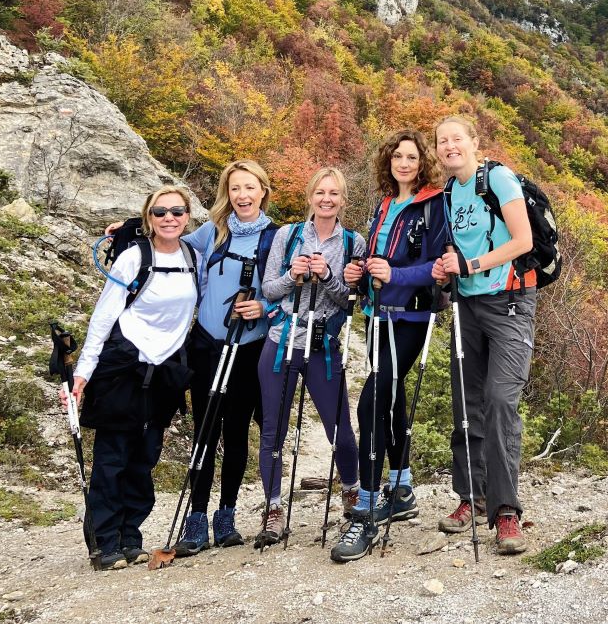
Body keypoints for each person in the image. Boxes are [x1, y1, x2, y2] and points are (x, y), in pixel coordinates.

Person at [330, 131, 450, 563]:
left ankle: (364, 509)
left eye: (412, 157)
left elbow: (438, 268)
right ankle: (399, 488)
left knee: (372, 403)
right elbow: (378, 261)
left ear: (423, 163)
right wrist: (359, 274)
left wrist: (393, 275)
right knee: (391, 398)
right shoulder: (383, 205)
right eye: (397, 156)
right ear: (389, 161)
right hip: (377, 316)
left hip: (412, 316)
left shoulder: (434, 203)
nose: (404, 163)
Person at [69, 187, 199, 571]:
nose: (169, 218)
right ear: (149, 218)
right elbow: (103, 316)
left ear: (188, 216)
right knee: (113, 458)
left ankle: (131, 537)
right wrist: (83, 373)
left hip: (164, 373)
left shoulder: (194, 256)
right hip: (124, 366)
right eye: (160, 212)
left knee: (144, 458)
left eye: (177, 211)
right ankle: (105, 542)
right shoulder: (133, 258)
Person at [430, 116, 536, 555]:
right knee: (466, 401)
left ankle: (506, 511)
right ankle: (470, 498)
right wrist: (444, 269)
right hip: (466, 306)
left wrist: (472, 267)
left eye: (457, 139)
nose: (450, 146)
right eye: (442, 141)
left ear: (474, 142)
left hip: (510, 301)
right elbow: (455, 252)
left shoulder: (498, 178)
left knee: (499, 399)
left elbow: (523, 240)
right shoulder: (447, 193)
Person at [255, 167, 366, 547]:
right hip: (280, 340)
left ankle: (352, 492)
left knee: (340, 427)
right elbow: (269, 289)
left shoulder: (354, 242)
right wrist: (293, 276)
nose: (326, 199)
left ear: (342, 199)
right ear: (310, 196)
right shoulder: (286, 236)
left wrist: (330, 276)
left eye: (334, 193)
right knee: (273, 429)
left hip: (323, 345)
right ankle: (272, 508)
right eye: (320, 192)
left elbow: (354, 300)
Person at [171, 160, 275, 555]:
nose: (242, 196)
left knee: (235, 433)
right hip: (208, 344)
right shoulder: (212, 231)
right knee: (204, 431)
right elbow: (169, 239)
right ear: (226, 193)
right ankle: (195, 518)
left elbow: (285, 289)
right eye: (235, 189)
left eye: (250, 188)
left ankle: (226, 515)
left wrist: (262, 306)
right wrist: (129, 230)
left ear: (263, 191)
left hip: (250, 348)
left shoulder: (276, 237)